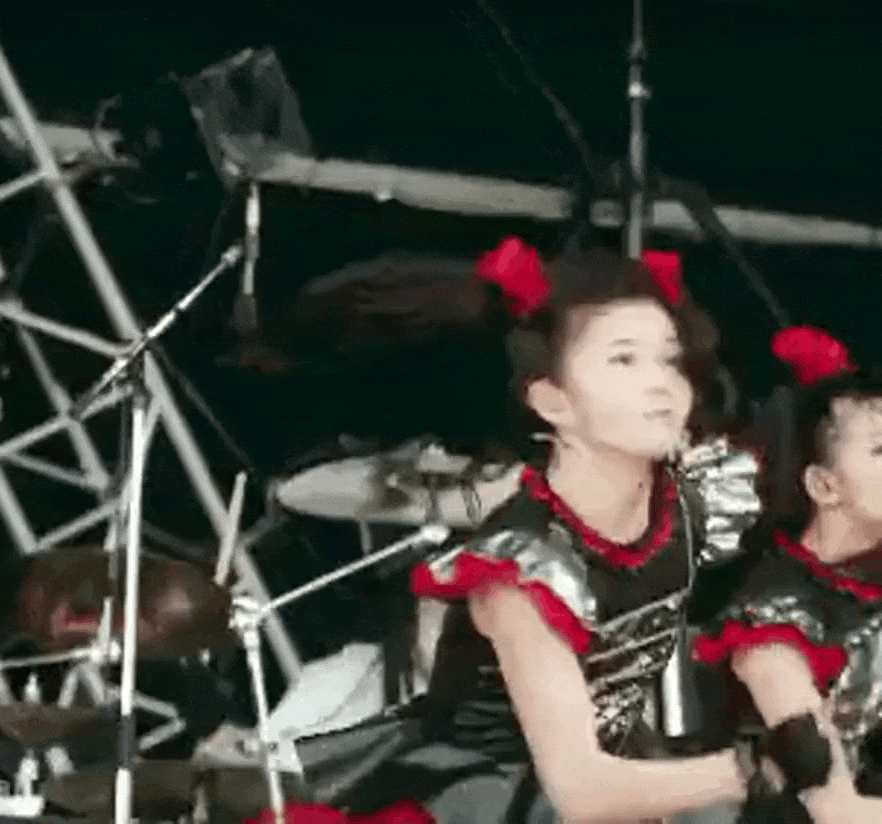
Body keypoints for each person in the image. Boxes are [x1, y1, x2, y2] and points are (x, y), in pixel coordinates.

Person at [273, 239, 772, 824]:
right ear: (552, 401)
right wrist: (754, 767)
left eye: (670, 360)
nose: (663, 384)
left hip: (610, 770)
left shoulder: (684, 504)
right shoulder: (522, 571)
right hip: (494, 800)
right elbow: (581, 791)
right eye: (624, 361)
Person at [690, 325, 882, 824]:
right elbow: (830, 805)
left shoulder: (867, 582)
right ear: (824, 485)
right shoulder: (772, 617)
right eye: (881, 451)